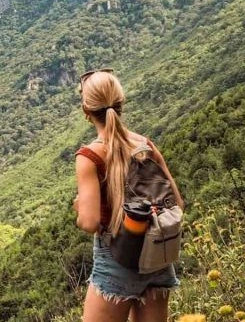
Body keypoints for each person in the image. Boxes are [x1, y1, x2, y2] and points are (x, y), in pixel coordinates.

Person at [72, 69, 184, 322]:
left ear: (86, 112)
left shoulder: (89, 156)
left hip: (116, 262)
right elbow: (177, 202)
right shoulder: (146, 145)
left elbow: (89, 223)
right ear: (121, 104)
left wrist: (80, 207)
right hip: (157, 256)